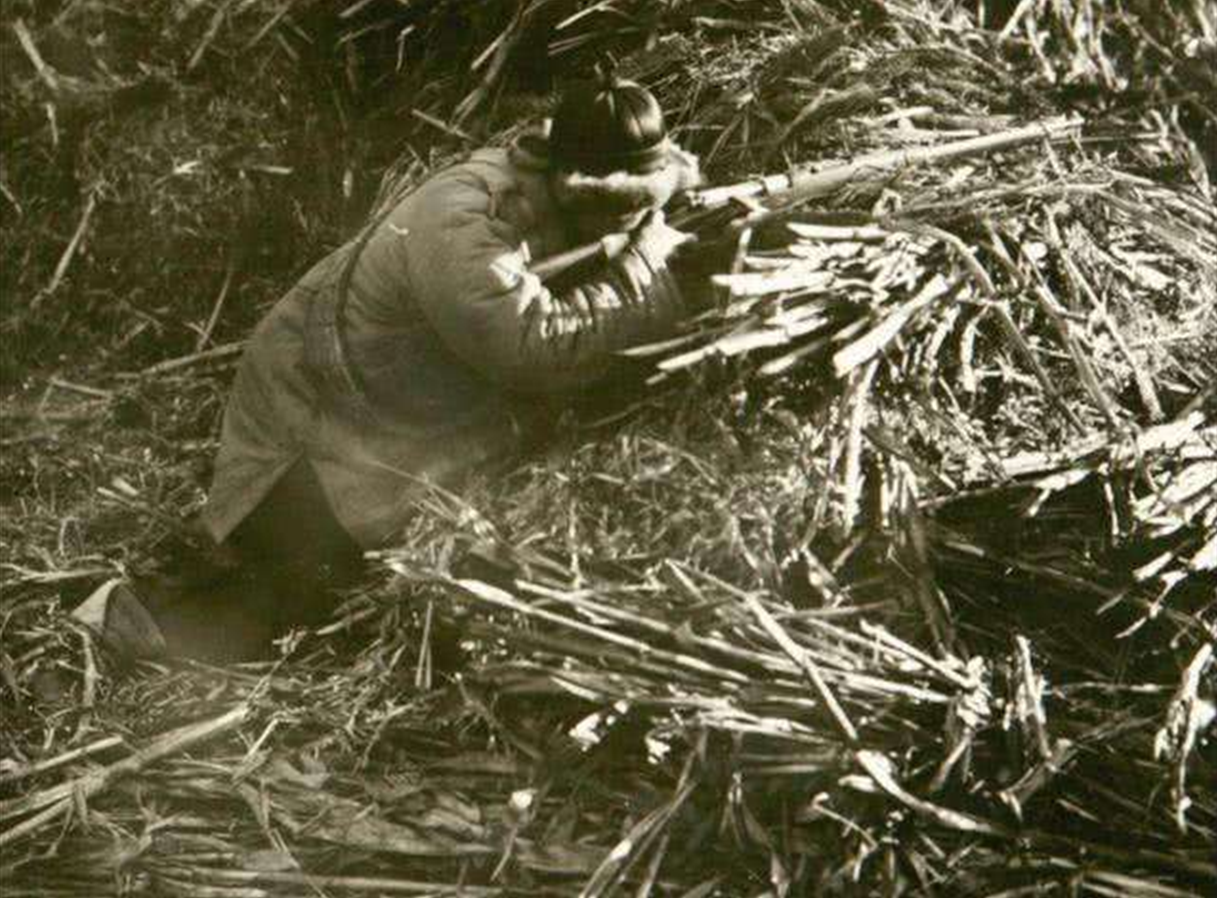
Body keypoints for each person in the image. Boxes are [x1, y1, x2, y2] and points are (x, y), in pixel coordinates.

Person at [72, 74, 704, 662]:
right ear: (570, 181)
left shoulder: (566, 198)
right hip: (316, 399)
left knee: (328, 579)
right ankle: (111, 626)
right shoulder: (469, 219)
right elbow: (532, 347)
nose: (638, 222)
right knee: (276, 597)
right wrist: (646, 263)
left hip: (401, 407)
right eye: (623, 210)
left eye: (648, 206)